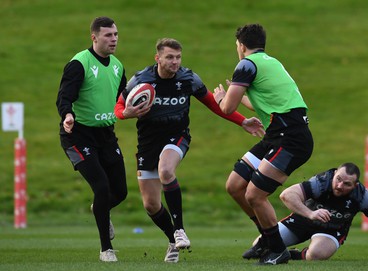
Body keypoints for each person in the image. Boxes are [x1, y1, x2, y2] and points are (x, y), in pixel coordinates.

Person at [114, 38, 264, 263]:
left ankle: (180, 230)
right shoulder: (141, 79)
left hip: (177, 137)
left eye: (178, 57)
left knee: (166, 171)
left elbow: (213, 103)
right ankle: (172, 240)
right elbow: (118, 107)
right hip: (147, 143)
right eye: (169, 57)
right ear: (158, 58)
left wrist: (242, 121)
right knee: (151, 205)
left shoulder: (188, 78)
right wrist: (126, 114)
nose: (175, 62)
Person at [212, 23, 314, 265]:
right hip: (278, 135)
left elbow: (227, 108)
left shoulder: (246, 64)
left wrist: (220, 99)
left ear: (241, 46)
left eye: (236, 45)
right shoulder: (271, 62)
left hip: (290, 138)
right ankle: (269, 239)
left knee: (255, 194)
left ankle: (277, 249)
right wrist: (232, 96)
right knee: (235, 185)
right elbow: (262, 100)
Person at [56, 16, 128, 262]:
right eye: (108, 35)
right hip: (77, 134)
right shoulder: (79, 63)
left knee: (120, 192)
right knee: (102, 187)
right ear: (94, 37)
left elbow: (123, 99)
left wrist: (135, 108)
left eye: (116, 34)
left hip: (106, 135)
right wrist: (67, 115)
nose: (114, 39)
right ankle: (106, 249)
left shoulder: (118, 66)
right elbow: (64, 96)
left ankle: (100, 209)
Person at [244, 162, 368, 262]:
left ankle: (298, 255)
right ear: (335, 174)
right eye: (338, 179)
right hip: (302, 220)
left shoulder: (362, 197)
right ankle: (282, 250)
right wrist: (310, 214)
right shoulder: (321, 182)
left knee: (316, 255)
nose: (339, 185)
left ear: (355, 185)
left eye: (346, 184)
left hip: (332, 229)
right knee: (259, 245)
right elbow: (286, 195)